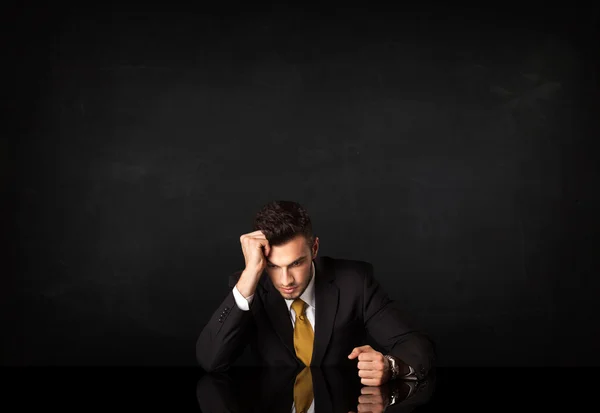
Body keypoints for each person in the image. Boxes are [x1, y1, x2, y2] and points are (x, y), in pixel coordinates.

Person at [196, 200, 436, 384]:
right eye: (273, 266)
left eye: (296, 263)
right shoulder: (251, 284)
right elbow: (211, 361)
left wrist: (391, 366)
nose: (285, 280)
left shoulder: (354, 282)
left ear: (315, 249)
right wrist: (250, 274)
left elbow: (417, 344)